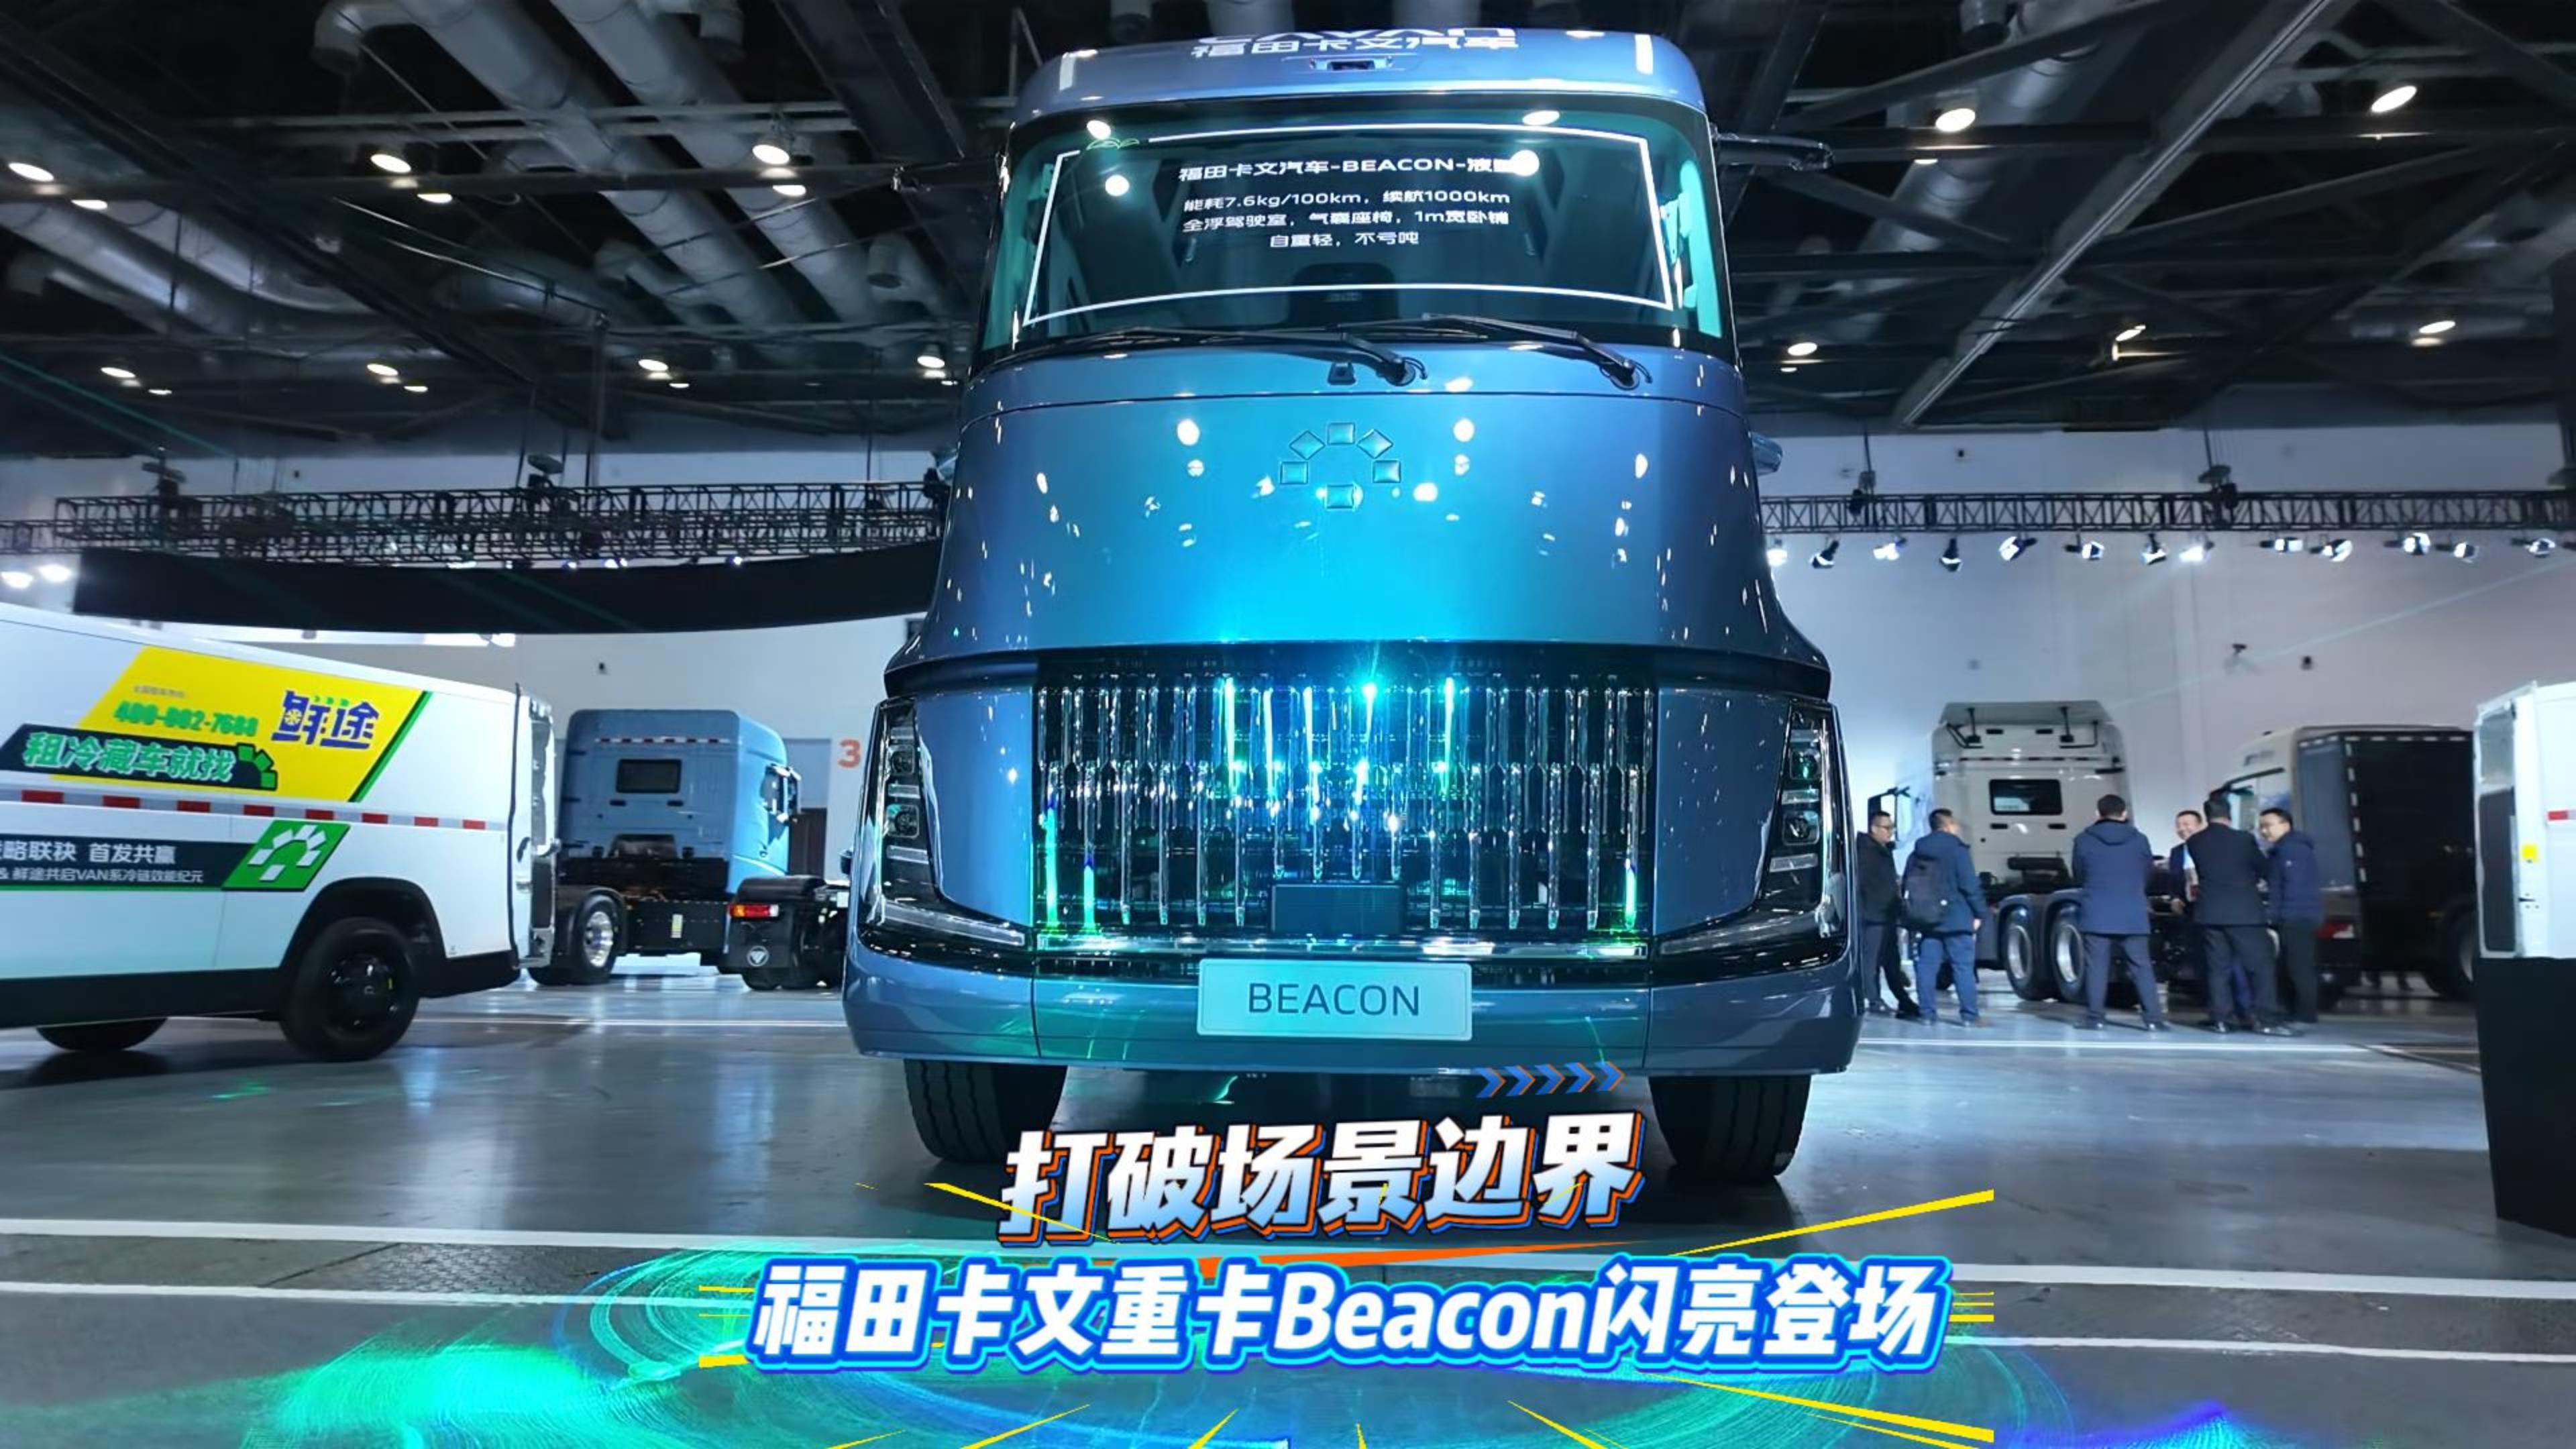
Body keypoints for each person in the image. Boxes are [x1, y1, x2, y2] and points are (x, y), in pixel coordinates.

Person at [2186, 798, 2293, 1035]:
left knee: (2218, 969)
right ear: (2229, 815)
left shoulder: (2194, 842)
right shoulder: (2243, 839)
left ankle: (2221, 1019)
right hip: (2244, 913)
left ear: (2206, 816)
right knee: (2260, 967)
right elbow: (2263, 869)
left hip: (2210, 913)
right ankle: (2266, 1019)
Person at [2070, 794, 2169, 1032]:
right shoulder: (2140, 840)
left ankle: (2096, 1018)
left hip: (2097, 911)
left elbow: (2078, 875)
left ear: (2098, 814)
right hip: (2132, 911)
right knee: (2141, 966)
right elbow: (2147, 873)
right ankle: (2153, 1020)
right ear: (2124, 814)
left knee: (2097, 967)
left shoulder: (2083, 840)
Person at [1905, 808, 1988, 1026]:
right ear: (1948, 825)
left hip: (1928, 919)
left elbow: (1907, 883)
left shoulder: (1918, 851)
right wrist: (1980, 913)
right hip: (1957, 917)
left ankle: (1927, 1014)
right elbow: (1969, 884)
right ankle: (1970, 1016)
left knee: (1927, 967)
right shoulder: (1957, 850)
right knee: (1963, 968)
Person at [2259, 807, 2324, 1025]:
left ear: (2285, 825)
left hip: (2297, 916)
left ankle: (2305, 1014)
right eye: (2262, 827)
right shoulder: (2281, 850)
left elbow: (2294, 887)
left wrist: (2278, 915)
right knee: (2288, 967)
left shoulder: (2293, 850)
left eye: (2268, 826)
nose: (2264, 831)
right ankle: (2292, 1011)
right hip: (2292, 916)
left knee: (2299, 968)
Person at [1852, 811, 1920, 1018]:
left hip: (1886, 916)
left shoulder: (1883, 851)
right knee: (1872, 962)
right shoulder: (1865, 852)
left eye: (1892, 828)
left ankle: (1903, 1000)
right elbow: (1864, 886)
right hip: (1873, 917)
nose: (1891, 832)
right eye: (1887, 828)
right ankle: (1874, 1000)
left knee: (1892, 962)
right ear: (1874, 829)